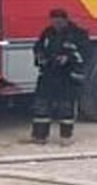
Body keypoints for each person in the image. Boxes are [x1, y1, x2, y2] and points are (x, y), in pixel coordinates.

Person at [29, 9, 90, 146]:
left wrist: (68, 58)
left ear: (65, 20)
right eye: (53, 21)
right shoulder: (47, 32)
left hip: (67, 76)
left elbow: (85, 53)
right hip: (48, 74)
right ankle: (39, 136)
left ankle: (65, 137)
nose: (56, 24)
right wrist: (40, 57)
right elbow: (38, 47)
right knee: (41, 106)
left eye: (59, 21)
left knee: (66, 107)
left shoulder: (78, 34)